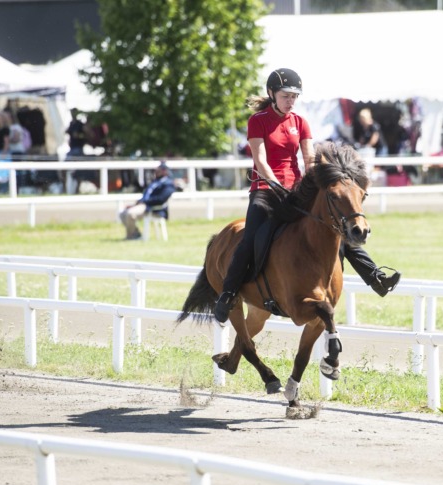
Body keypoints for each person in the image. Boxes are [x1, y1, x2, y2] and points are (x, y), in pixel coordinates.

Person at [213, 69, 400, 324]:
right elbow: (261, 161)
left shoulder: (300, 122)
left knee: (336, 228)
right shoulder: (258, 120)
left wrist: (315, 182)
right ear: (271, 94)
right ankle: (228, 294)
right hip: (265, 191)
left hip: (295, 191)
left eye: (294, 97)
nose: (290, 101)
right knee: (250, 240)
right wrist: (275, 184)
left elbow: (309, 159)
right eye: (286, 96)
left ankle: (375, 277)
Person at [119, 161, 176, 240]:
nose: (156, 172)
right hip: (144, 205)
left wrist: (145, 202)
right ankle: (135, 234)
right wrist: (137, 204)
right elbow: (146, 195)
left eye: (159, 170)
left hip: (153, 208)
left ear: (164, 171)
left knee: (130, 214)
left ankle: (132, 236)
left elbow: (161, 199)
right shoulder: (154, 182)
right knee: (123, 213)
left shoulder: (168, 184)